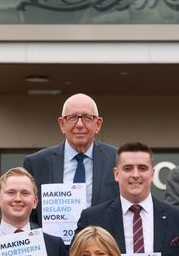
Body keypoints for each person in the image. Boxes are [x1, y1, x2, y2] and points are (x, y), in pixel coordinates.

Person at [23, 93, 120, 226]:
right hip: (54, 245)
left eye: (87, 118)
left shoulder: (118, 159)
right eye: (72, 118)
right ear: (62, 124)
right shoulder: (37, 163)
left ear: (98, 124)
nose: (79, 124)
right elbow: (27, 215)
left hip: (103, 245)